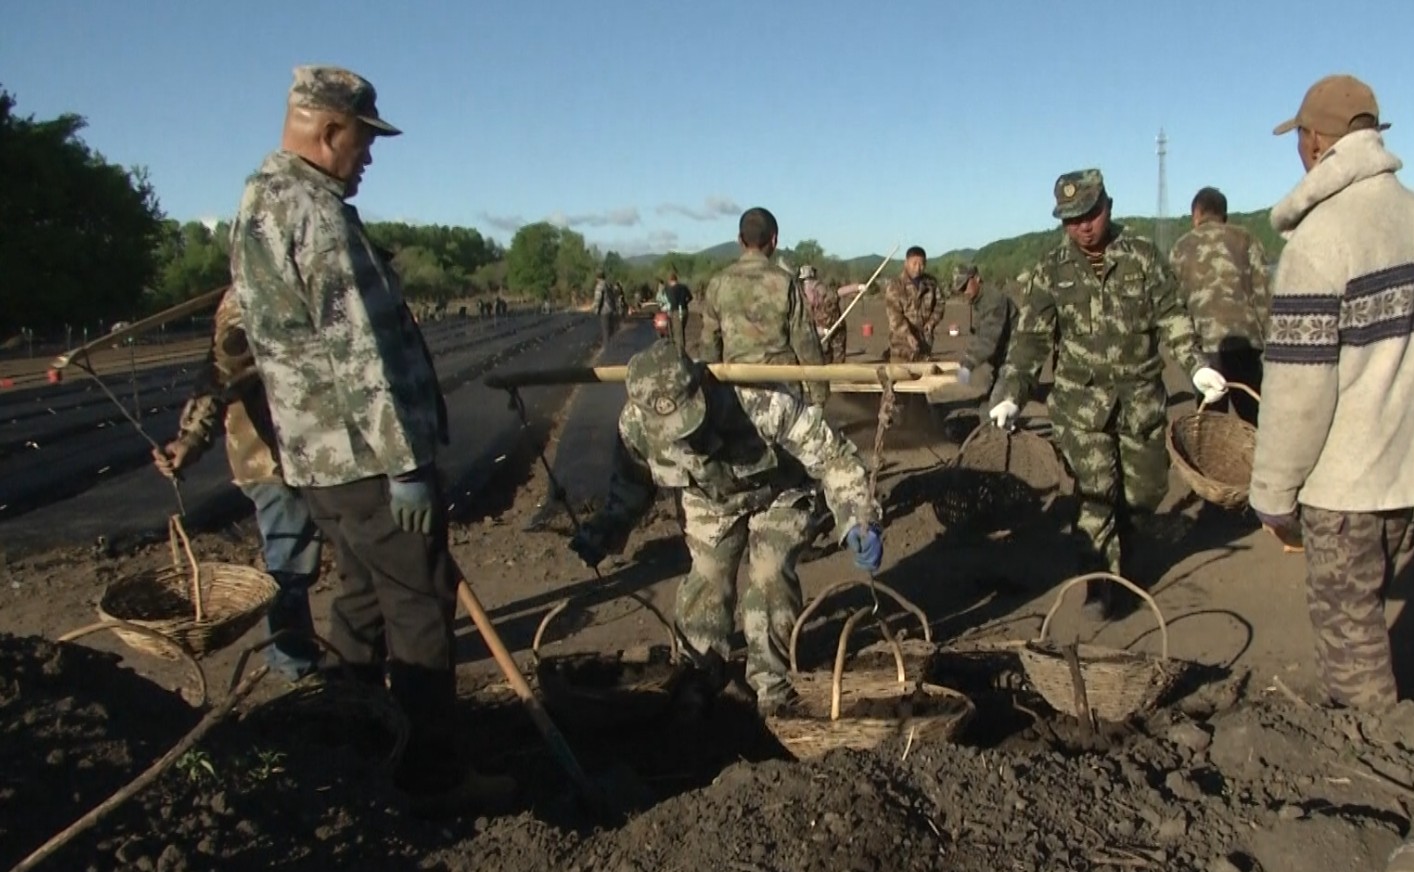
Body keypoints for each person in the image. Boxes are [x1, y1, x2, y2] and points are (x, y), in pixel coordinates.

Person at [230, 65, 507, 810]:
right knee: (418, 604)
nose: (369, 156)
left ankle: (349, 753)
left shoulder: (258, 201)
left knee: (357, 600)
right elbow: (361, 351)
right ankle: (434, 775)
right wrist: (407, 463)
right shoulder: (315, 214)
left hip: (319, 464)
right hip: (366, 459)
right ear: (328, 131)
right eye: (364, 140)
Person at [1252, 74, 1414, 710]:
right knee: (1369, 605)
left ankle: (1373, 754)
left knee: (1350, 641)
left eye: (1301, 137)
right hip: (1410, 468)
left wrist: (1271, 491)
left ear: (1316, 142)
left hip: (1347, 482)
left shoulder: (1322, 239)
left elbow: (1298, 390)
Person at [568, 343, 883, 716]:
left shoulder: (759, 400)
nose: (683, 438)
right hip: (710, 502)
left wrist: (857, 515)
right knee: (707, 583)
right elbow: (633, 485)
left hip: (779, 491)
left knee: (768, 574)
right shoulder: (635, 428)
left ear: (701, 387)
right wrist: (606, 528)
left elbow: (832, 455)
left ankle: (772, 688)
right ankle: (699, 679)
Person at [987, 169, 1222, 618]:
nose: (1083, 226)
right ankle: (1098, 582)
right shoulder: (1049, 271)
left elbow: (1172, 315)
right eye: (1072, 219)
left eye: (1090, 214)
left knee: (1144, 493)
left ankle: (1125, 567)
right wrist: (1011, 391)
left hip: (1140, 402)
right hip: (1080, 406)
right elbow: (1030, 339)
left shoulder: (1142, 257)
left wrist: (1196, 366)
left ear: (1108, 206)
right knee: (1096, 492)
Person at [152, 287, 323, 681]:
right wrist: (190, 440)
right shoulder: (248, 295)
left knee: (356, 559)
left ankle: (355, 653)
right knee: (288, 566)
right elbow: (221, 372)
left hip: (329, 452)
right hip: (272, 459)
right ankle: (295, 667)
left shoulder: (319, 276)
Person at [699, 207, 829, 404]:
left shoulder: (718, 283)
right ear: (774, 240)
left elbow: (709, 346)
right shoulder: (786, 283)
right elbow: (806, 343)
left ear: (740, 240)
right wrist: (819, 398)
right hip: (783, 398)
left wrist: (709, 395)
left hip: (735, 398)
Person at [1168, 186, 1271, 425]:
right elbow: (1264, 295)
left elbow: (1174, 307)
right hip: (1246, 345)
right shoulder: (1245, 239)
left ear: (1196, 214)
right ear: (1224, 215)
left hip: (1204, 350)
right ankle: (1257, 460)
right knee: (1255, 419)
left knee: (1211, 424)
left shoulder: (1180, 248)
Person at [949, 262, 1018, 397]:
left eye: (965, 287)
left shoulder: (993, 300)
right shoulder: (978, 300)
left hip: (1016, 356)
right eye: (960, 290)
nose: (964, 292)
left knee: (995, 407)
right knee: (988, 399)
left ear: (977, 278)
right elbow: (978, 334)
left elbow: (988, 340)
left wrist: (968, 364)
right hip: (1001, 357)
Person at [883, 245, 943, 362]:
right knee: (901, 376)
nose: (918, 268)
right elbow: (894, 315)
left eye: (921, 264)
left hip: (924, 340)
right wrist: (908, 334)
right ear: (906, 263)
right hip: (901, 343)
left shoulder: (931, 284)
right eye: (914, 263)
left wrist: (932, 322)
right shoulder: (896, 285)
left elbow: (940, 304)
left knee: (922, 376)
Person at [798, 264, 847, 363]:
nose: (807, 285)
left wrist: (858, 287)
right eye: (805, 282)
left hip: (836, 329)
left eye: (809, 281)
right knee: (822, 358)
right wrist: (819, 331)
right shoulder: (801, 298)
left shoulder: (825, 292)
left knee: (838, 360)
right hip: (817, 333)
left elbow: (840, 292)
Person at [665, 272, 694, 350]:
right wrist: (684, 302)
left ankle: (680, 352)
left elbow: (672, 302)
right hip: (685, 310)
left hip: (676, 312)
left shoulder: (670, 290)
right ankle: (681, 350)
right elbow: (690, 297)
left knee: (678, 334)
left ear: (670, 280)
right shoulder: (683, 287)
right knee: (681, 330)